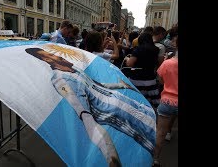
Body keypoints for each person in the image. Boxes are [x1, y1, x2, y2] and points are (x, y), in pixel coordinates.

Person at [25, 47, 156, 166]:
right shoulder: (62, 79)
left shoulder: (74, 69)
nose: (59, 56)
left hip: (135, 108)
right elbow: (87, 120)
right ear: (46, 59)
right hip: (132, 120)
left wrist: (121, 85)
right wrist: (111, 156)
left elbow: (96, 86)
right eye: (50, 55)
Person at [153, 36, 178, 167]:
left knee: (160, 133)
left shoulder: (167, 63)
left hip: (167, 101)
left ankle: (155, 159)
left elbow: (161, 80)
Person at [125, 32, 160, 109]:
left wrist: (127, 59)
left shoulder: (138, 49)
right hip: (150, 79)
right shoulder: (156, 49)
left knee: (137, 100)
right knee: (150, 102)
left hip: (136, 78)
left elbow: (129, 64)